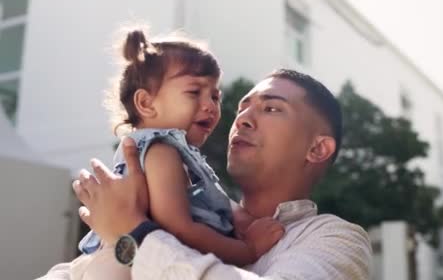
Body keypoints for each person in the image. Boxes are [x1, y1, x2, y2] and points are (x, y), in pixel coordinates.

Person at [42, 69, 372, 279]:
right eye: (242, 107)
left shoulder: (334, 240)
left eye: (271, 108)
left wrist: (134, 233)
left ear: (317, 149)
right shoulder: (190, 212)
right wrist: (123, 238)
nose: (241, 119)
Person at [64, 28, 284, 280]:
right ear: (146, 104)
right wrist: (248, 249)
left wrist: (242, 218)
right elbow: (179, 229)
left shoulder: (169, 152)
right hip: (123, 268)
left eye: (215, 96)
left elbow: (205, 199)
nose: (210, 106)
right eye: (194, 92)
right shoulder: (161, 151)